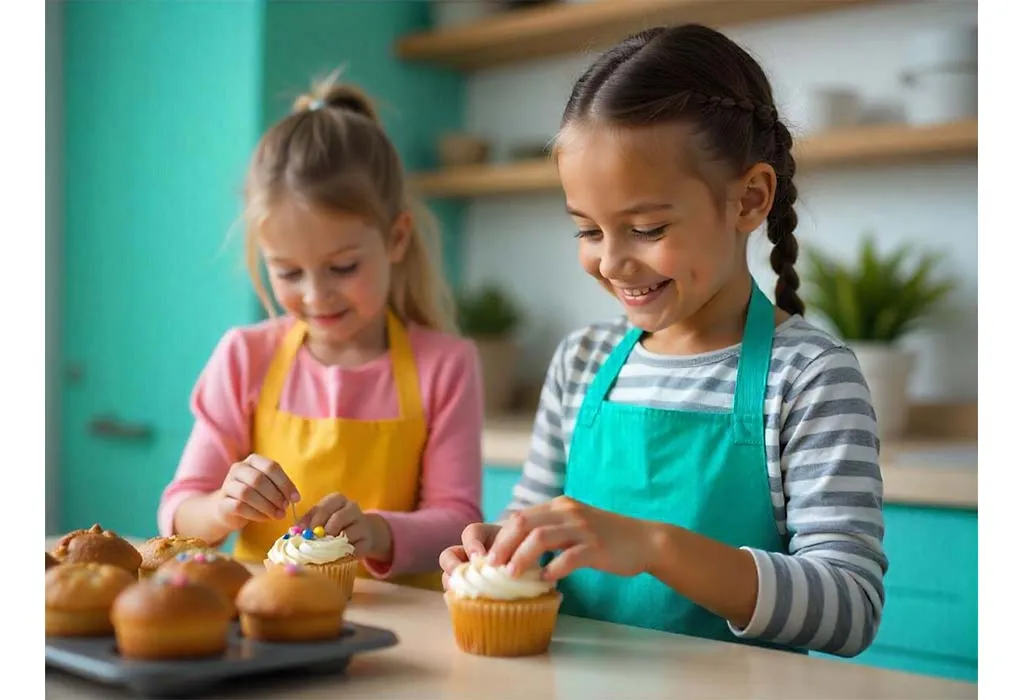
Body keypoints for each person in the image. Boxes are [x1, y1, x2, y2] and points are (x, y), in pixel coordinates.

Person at [440, 24, 887, 656]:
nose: (611, 262)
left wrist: (653, 546)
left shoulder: (810, 377)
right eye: (588, 231)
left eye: (647, 228)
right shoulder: (581, 362)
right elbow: (536, 524)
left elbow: (849, 609)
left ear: (749, 199)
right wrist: (501, 551)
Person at [159, 77, 484, 591]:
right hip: (267, 613)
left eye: (343, 267)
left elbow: (458, 520)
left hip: (404, 624)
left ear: (396, 239)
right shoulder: (245, 356)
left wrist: (376, 532)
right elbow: (178, 513)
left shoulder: (445, 364)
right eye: (288, 272)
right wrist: (223, 506)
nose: (316, 295)